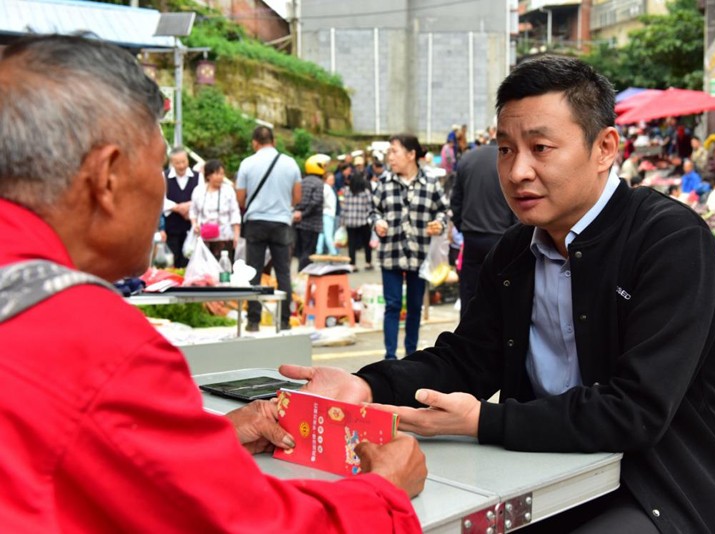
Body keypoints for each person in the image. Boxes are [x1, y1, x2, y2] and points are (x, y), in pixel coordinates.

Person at [281, 55, 715, 533]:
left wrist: (484, 421)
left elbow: (637, 410)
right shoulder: (514, 251)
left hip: (661, 488)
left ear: (604, 148)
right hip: (545, 473)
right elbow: (468, 359)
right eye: (506, 150)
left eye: (540, 148)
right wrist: (367, 386)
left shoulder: (670, 240)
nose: (516, 172)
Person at [0, 34, 427, 532]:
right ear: (108, 176)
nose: (162, 186)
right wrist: (385, 490)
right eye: (159, 165)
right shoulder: (95, 345)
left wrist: (205, 442)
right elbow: (253, 526)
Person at [369, 134, 448, 360]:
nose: (390, 157)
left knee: (414, 307)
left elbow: (443, 211)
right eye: (389, 152)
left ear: (411, 154)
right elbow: (374, 211)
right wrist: (377, 222)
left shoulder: (430, 183)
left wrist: (439, 224)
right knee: (393, 306)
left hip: (419, 255)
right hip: (390, 254)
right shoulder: (384, 182)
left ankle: (411, 356)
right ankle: (390, 358)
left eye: (394, 151)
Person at [236, 125, 301, 332]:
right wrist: (282, 206)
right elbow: (297, 197)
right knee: (283, 272)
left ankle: (253, 321)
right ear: (274, 141)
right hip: (281, 222)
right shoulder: (290, 163)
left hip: (255, 222)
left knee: (253, 272)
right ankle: (284, 321)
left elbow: (240, 198)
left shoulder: (247, 164)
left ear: (254, 143)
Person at [450, 128, 516, 318]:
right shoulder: (509, 160)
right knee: (501, 293)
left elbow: (456, 202)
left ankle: (467, 331)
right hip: (501, 236)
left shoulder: (468, 159)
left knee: (470, 292)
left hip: (472, 236)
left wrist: (462, 226)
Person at [189, 159, 241, 260]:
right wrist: (194, 224)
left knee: (223, 265)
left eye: (222, 174)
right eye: (217, 174)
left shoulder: (228, 190)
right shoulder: (198, 190)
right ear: (208, 175)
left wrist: (236, 234)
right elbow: (193, 211)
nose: (220, 177)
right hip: (204, 236)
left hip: (224, 237)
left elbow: (235, 212)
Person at [164, 147, 201, 268]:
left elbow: (202, 197)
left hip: (192, 227)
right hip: (171, 226)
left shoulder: (198, 176)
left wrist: (188, 206)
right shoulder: (164, 176)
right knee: (172, 261)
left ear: (188, 160)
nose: (181, 166)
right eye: (177, 163)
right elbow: (160, 199)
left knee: (190, 261)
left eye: (183, 161)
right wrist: (177, 208)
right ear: (171, 162)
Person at [293, 154, 328, 271]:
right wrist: (304, 214)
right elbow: (316, 202)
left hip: (299, 223)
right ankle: (304, 274)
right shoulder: (318, 183)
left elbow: (295, 199)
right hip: (312, 224)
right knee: (308, 253)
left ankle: (300, 273)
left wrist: (298, 213)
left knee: (301, 252)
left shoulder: (302, 181)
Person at [341, 171, 374, 271]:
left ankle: (352, 264)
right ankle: (368, 263)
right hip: (363, 221)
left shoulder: (346, 191)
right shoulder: (366, 192)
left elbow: (344, 207)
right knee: (367, 243)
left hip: (350, 221)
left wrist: (342, 221)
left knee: (351, 244)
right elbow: (370, 207)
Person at [316, 172, 338, 255]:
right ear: (325, 180)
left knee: (322, 234)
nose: (333, 181)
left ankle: (319, 250)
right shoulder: (326, 188)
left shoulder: (328, 188)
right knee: (328, 235)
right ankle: (333, 252)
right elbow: (321, 200)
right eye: (331, 179)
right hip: (327, 213)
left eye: (333, 179)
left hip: (327, 213)